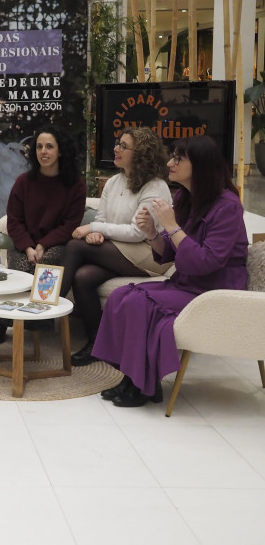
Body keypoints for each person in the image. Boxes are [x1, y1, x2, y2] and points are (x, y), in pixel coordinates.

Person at [92, 135, 248, 407]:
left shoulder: (228, 206)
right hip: (187, 283)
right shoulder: (186, 197)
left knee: (140, 302)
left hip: (215, 291)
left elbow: (205, 261)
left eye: (178, 158)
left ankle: (141, 385)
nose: (170, 162)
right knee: (119, 297)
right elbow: (170, 254)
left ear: (200, 165)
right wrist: (153, 232)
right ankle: (133, 379)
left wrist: (171, 225)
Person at [59, 127, 172, 365]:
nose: (115, 149)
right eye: (117, 143)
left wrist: (92, 230)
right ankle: (97, 344)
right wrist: (95, 234)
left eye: (123, 145)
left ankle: (49, 303)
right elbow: (101, 220)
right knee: (83, 276)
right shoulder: (112, 182)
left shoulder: (156, 187)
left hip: (150, 253)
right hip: (118, 251)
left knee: (75, 246)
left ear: (140, 153)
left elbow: (136, 232)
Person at [0, 125, 86, 344]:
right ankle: (3, 320)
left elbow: (70, 224)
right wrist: (27, 247)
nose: (44, 151)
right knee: (22, 268)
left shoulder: (75, 185)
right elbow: (13, 221)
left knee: (46, 267)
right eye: (40, 147)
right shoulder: (23, 182)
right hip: (24, 244)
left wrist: (43, 245)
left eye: (50, 146)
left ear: (60, 150)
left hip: (55, 245)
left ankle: (37, 319)